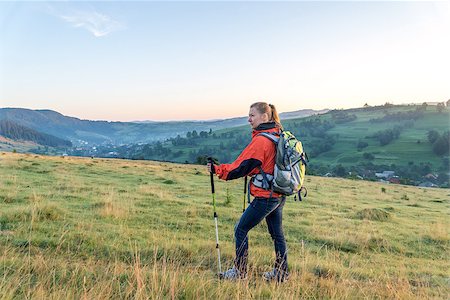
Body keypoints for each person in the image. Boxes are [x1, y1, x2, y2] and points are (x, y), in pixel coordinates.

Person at [207, 102, 289, 282]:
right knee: (277, 235)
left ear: (265, 117)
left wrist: (217, 170)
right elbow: (263, 165)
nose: (248, 119)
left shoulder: (261, 140)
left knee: (240, 229)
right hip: (278, 194)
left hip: (265, 196)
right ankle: (282, 274)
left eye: (252, 115)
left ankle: (240, 272)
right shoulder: (277, 134)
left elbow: (240, 167)